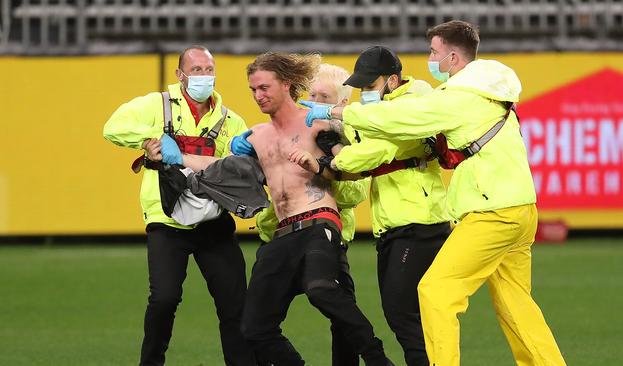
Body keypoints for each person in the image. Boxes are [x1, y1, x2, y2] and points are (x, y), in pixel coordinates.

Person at [301, 21, 567, 366]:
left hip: (491, 212)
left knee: (436, 293)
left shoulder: (459, 97)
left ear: (453, 57)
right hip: (518, 206)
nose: (429, 59)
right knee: (515, 304)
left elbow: (401, 119)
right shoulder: (488, 89)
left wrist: (336, 112)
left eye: (433, 53)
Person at [164, 52, 393, 366]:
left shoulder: (318, 125)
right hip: (281, 234)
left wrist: (323, 160)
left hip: (318, 223)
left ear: (286, 84)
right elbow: (222, 167)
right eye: (253, 90)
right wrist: (178, 157)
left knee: (321, 289)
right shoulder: (258, 135)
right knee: (254, 328)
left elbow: (353, 168)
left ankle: (377, 357)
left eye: (264, 88)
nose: (258, 96)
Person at [292, 46, 451, 366]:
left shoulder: (410, 106)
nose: (365, 93)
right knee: (409, 317)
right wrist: (334, 145)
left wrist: (330, 161)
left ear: (393, 80)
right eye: (360, 87)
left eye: (369, 86)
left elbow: (373, 153)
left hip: (417, 222)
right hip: (397, 224)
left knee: (403, 316)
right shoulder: (385, 110)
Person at [103, 46, 256, 366]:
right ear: (180, 74)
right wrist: (149, 139)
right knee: (164, 299)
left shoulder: (231, 120)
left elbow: (244, 171)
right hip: (166, 219)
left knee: (235, 303)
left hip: (214, 221)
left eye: (209, 69)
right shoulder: (155, 105)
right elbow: (113, 128)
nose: (204, 76)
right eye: (197, 69)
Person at [253, 62, 370, 366]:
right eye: (312, 94)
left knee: (339, 312)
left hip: (325, 232)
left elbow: (355, 191)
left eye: (324, 97)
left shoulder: (349, 139)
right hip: (280, 236)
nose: (314, 102)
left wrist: (322, 169)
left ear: (342, 104)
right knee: (255, 323)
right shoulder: (288, 128)